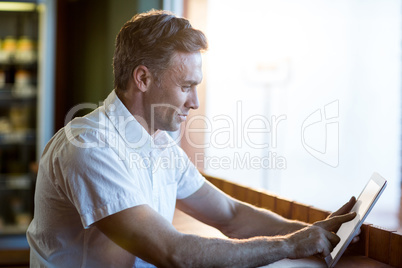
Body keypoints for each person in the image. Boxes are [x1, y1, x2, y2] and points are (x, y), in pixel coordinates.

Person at [27, 10, 357, 267]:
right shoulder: (88, 147)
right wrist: (290, 245)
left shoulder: (159, 145)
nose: (195, 102)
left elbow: (230, 216)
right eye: (186, 86)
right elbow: (173, 253)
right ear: (143, 78)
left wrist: (315, 232)